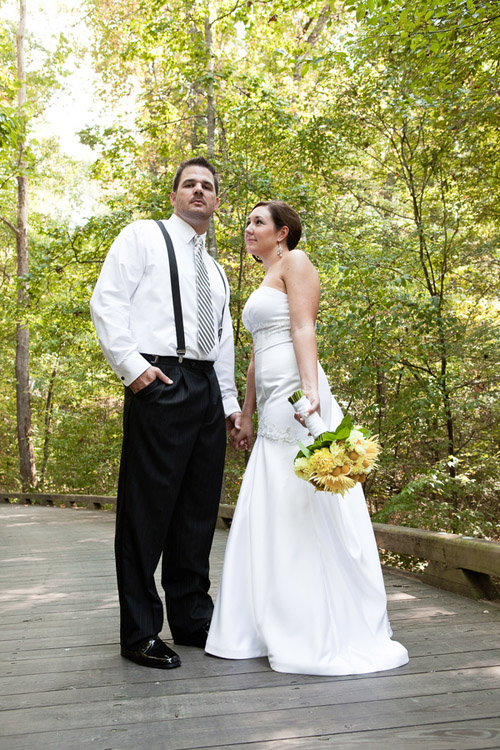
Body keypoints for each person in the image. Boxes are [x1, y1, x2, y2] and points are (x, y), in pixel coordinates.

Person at [205, 200, 409, 675]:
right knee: (274, 495)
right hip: (271, 395)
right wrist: (247, 413)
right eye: (247, 223)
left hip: (299, 394)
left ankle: (313, 621)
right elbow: (257, 350)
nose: (248, 229)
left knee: (303, 495)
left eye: (258, 222)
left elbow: (303, 326)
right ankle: (264, 617)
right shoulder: (264, 276)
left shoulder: (296, 262)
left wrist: (311, 393)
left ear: (283, 232)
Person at [90, 157, 240, 670]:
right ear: (175, 196)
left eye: (208, 186)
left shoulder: (217, 269)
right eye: (189, 184)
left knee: (197, 510)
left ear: (216, 202)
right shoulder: (142, 236)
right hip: (160, 376)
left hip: (204, 388)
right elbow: (107, 302)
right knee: (147, 508)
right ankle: (139, 631)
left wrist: (229, 402)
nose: (199, 191)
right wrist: (133, 369)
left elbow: (223, 341)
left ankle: (193, 618)